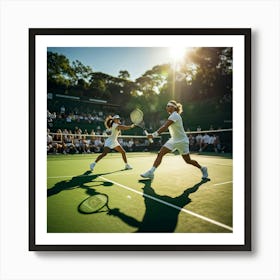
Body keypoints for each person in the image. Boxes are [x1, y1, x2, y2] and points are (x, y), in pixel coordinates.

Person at [141, 100, 208, 180]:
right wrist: (153, 135)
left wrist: (153, 135)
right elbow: (165, 127)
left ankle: (203, 168)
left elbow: (165, 127)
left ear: (173, 107)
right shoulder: (172, 116)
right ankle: (151, 172)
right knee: (160, 153)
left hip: (182, 141)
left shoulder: (175, 115)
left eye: (168, 106)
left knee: (188, 160)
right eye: (167, 106)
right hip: (173, 140)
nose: (167, 107)